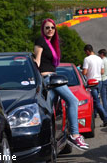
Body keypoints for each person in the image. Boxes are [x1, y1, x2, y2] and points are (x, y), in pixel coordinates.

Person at [34, 18, 89, 151]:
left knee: (48, 111)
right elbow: (36, 62)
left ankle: (44, 141)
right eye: (47, 28)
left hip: (52, 78)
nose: (50, 30)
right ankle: (74, 135)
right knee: (73, 101)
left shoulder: (52, 44)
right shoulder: (40, 41)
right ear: (43, 29)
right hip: (48, 79)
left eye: (52, 28)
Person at [82, 44, 107, 127]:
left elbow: (84, 72)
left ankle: (105, 119)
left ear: (87, 51)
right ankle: (94, 116)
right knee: (96, 100)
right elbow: (102, 72)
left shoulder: (87, 59)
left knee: (96, 102)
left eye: (85, 52)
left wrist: (82, 73)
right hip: (99, 81)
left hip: (91, 82)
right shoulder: (99, 59)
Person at [98, 49, 107, 116]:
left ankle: (105, 112)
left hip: (103, 78)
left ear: (102, 54)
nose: (98, 55)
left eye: (99, 54)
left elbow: (100, 71)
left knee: (103, 97)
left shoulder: (101, 61)